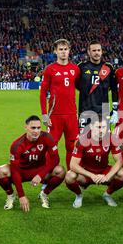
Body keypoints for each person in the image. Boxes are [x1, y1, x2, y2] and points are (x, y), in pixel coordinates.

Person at [0, 115, 65, 212]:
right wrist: (21, 195)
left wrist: (40, 175)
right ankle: (11, 195)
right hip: (21, 172)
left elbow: (55, 159)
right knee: (0, 171)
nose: (36, 131)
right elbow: (15, 170)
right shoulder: (17, 145)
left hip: (39, 170)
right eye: (33, 128)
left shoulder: (47, 137)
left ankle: (44, 194)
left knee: (60, 171)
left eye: (38, 128)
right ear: (26, 128)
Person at [65, 114, 123, 208]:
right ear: (91, 126)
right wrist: (92, 175)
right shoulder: (82, 140)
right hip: (86, 174)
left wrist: (107, 176)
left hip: (104, 171)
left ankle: (107, 194)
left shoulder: (111, 138)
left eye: (104, 127)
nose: (101, 130)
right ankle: (79, 195)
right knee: (70, 176)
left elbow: (119, 161)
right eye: (98, 127)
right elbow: (73, 165)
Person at [40, 39, 80, 169]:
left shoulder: (75, 69)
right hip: (55, 115)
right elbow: (42, 94)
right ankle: (47, 176)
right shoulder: (50, 69)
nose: (63, 52)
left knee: (72, 147)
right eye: (60, 49)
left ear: (69, 51)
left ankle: (71, 174)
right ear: (55, 51)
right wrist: (44, 115)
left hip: (71, 115)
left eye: (65, 49)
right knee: (51, 146)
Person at [76, 41, 118, 132]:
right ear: (89, 52)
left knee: (105, 141)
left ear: (102, 51)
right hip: (85, 109)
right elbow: (76, 85)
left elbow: (114, 89)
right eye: (94, 50)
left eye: (98, 50)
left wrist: (115, 109)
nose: (96, 53)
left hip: (104, 110)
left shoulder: (108, 67)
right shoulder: (81, 67)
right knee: (83, 141)